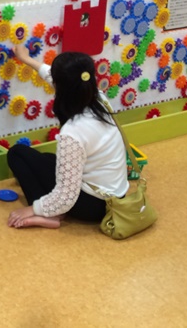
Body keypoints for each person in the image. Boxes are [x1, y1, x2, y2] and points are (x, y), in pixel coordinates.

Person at [7, 45, 130, 229]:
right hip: (116, 196)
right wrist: (27, 60)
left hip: (93, 206)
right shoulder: (99, 98)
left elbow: (65, 196)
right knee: (48, 159)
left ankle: (51, 216)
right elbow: (58, 77)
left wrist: (34, 208)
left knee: (17, 154)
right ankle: (51, 209)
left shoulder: (73, 131)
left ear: (60, 87)